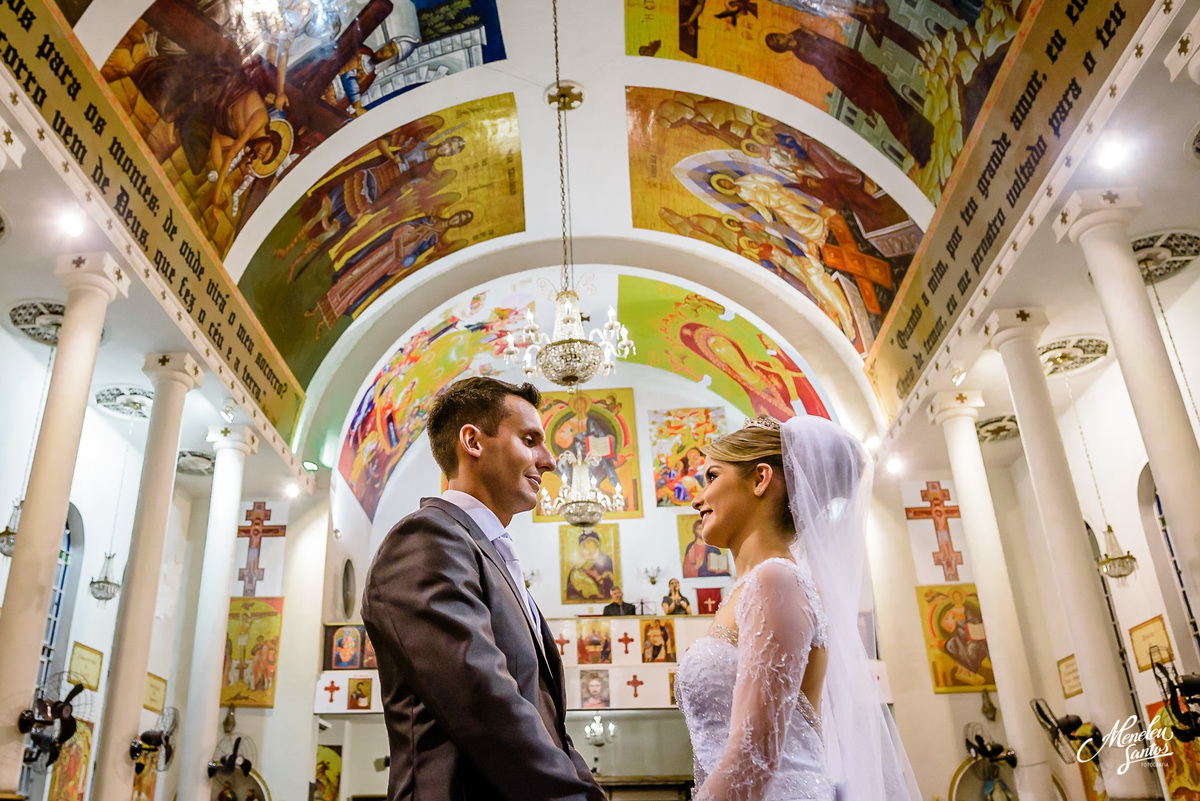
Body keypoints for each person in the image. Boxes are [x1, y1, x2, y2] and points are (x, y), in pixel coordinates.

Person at [362, 376, 606, 801]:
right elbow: (484, 706)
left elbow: (547, 725)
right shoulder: (426, 540)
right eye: (530, 439)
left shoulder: (487, 553)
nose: (549, 461)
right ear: (473, 442)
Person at [676, 415, 918, 800]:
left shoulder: (776, 581)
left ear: (759, 479)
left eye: (711, 476)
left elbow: (752, 757)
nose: (696, 498)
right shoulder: (752, 588)